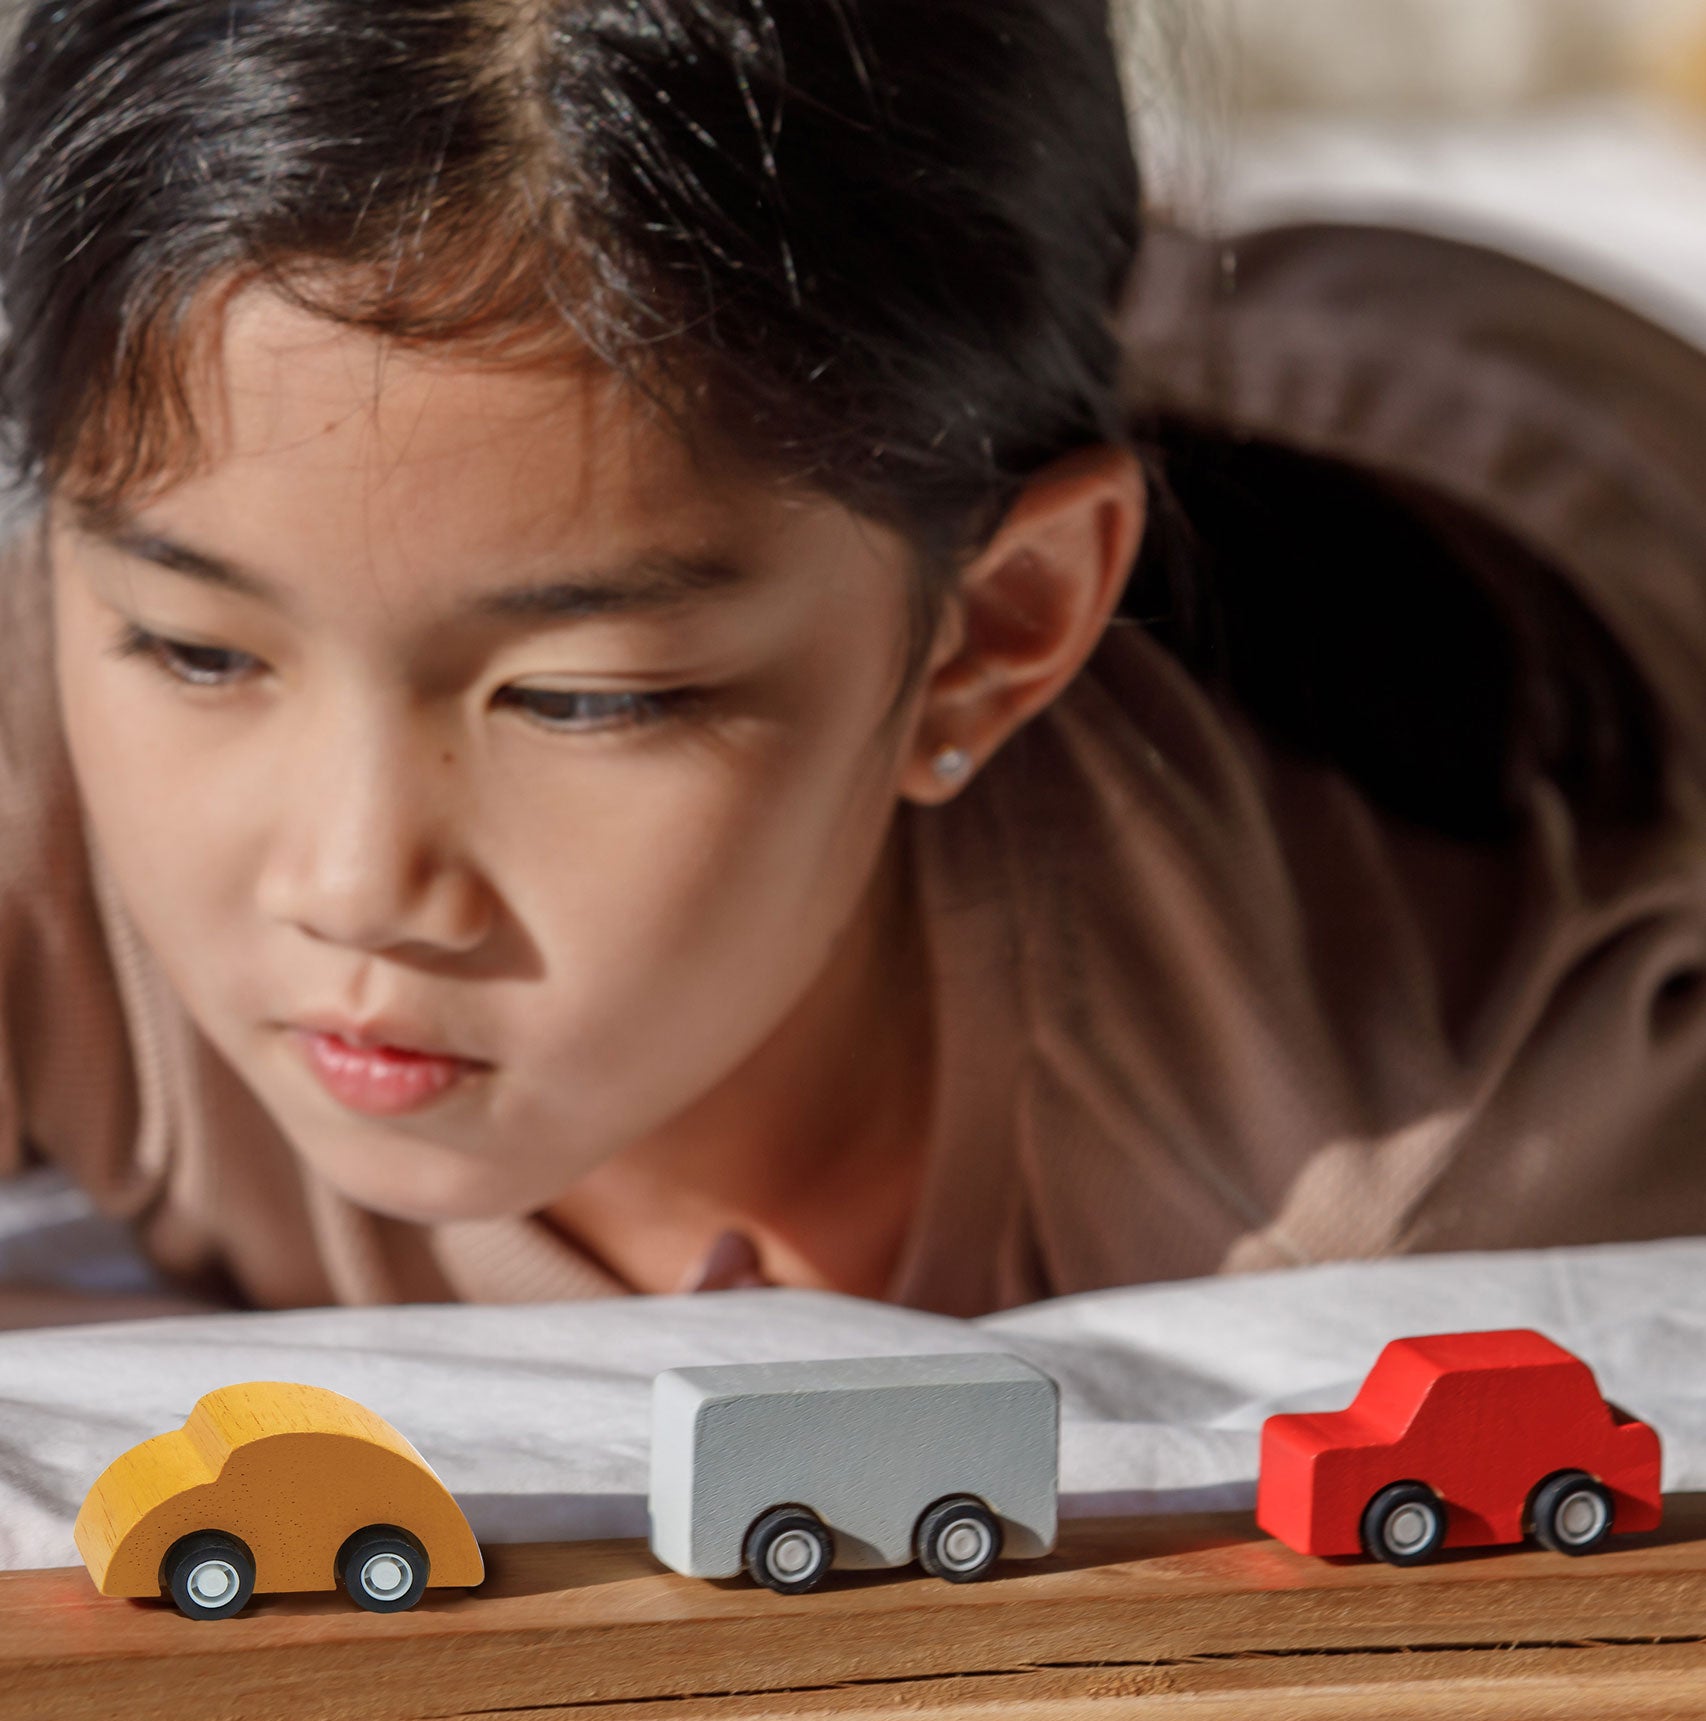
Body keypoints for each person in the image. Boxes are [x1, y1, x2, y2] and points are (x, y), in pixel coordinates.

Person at [1, 0, 1705, 1326]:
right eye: (196, 649)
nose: (356, 882)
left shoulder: (1414, 1160)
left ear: (992, 639)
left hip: (1514, 409)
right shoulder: (53, 755)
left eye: (588, 696)